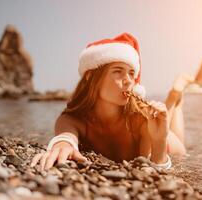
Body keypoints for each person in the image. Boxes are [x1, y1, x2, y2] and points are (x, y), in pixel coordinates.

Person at [30, 33, 191, 171]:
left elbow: (156, 167)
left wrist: (159, 141)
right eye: (118, 71)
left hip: (168, 145)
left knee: (174, 132)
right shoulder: (72, 120)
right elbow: (65, 137)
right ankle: (173, 99)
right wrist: (62, 145)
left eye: (131, 73)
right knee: (166, 119)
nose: (128, 81)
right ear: (90, 76)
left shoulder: (140, 120)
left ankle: (176, 102)